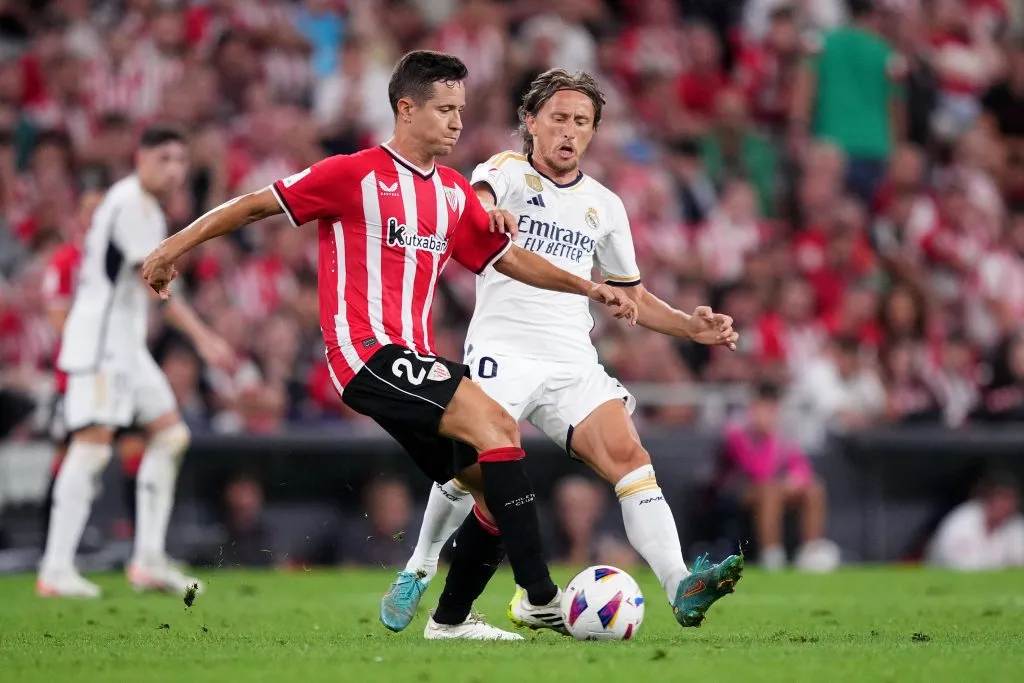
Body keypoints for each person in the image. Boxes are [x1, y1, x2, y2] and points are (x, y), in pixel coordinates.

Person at [140, 51, 643, 641]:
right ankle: (541, 596)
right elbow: (255, 204)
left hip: (413, 359)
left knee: (496, 486)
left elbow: (511, 259)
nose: (458, 123)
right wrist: (171, 247)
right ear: (407, 110)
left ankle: (449, 621)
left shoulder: (454, 194)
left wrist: (588, 286)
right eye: (445, 110)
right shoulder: (352, 175)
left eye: (461, 110)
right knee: (499, 427)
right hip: (364, 353)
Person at [379, 68, 743, 635]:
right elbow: (475, 201)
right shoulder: (507, 172)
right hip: (504, 349)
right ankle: (418, 568)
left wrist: (685, 328)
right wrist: (487, 211)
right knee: (473, 472)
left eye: (582, 122)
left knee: (630, 458)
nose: (569, 132)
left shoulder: (605, 206)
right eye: (558, 119)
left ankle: (681, 586)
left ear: (594, 132)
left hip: (573, 360)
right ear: (531, 122)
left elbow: (629, 296)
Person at [38, 126, 237, 599]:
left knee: (171, 435)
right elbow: (156, 283)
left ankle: (147, 560)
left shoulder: (147, 208)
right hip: (101, 345)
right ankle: (55, 568)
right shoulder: (128, 203)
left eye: (180, 161)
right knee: (91, 448)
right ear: (141, 158)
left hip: (127, 347)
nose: (174, 170)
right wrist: (206, 340)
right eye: (164, 159)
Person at [927, 470, 1024, 571]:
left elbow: (1020, 564)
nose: (1008, 505)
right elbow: (959, 567)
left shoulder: (1016, 525)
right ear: (989, 498)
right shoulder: (961, 522)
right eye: (1004, 498)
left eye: (1013, 499)